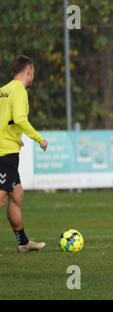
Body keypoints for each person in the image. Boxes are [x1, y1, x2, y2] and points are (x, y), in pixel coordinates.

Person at [0, 55, 48, 253]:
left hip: (7, 146)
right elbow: (20, 119)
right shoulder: (19, 91)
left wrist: (15, 137)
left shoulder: (3, 90)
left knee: (17, 195)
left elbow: (7, 120)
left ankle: (23, 242)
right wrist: (39, 139)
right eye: (33, 73)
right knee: (1, 197)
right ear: (29, 71)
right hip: (5, 153)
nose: (33, 76)